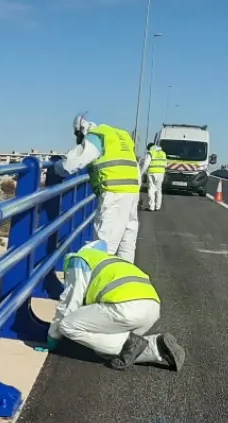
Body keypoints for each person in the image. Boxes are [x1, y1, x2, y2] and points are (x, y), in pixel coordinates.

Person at [46, 240, 184, 371]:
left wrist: (52, 338)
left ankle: (137, 345)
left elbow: (69, 303)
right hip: (151, 309)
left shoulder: (78, 261)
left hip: (125, 308)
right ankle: (155, 346)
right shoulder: (110, 260)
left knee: (67, 325)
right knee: (102, 342)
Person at [54, 115, 141, 262]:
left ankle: (100, 274)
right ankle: (124, 273)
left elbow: (72, 162)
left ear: (81, 131)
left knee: (103, 246)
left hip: (114, 193)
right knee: (127, 242)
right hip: (132, 191)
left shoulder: (96, 137)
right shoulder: (119, 135)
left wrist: (57, 168)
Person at [139, 142, 167, 211]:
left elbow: (146, 163)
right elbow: (165, 164)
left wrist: (141, 173)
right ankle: (158, 207)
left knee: (151, 189)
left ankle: (151, 207)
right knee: (158, 190)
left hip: (152, 173)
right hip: (161, 173)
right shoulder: (163, 153)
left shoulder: (151, 153)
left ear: (149, 148)